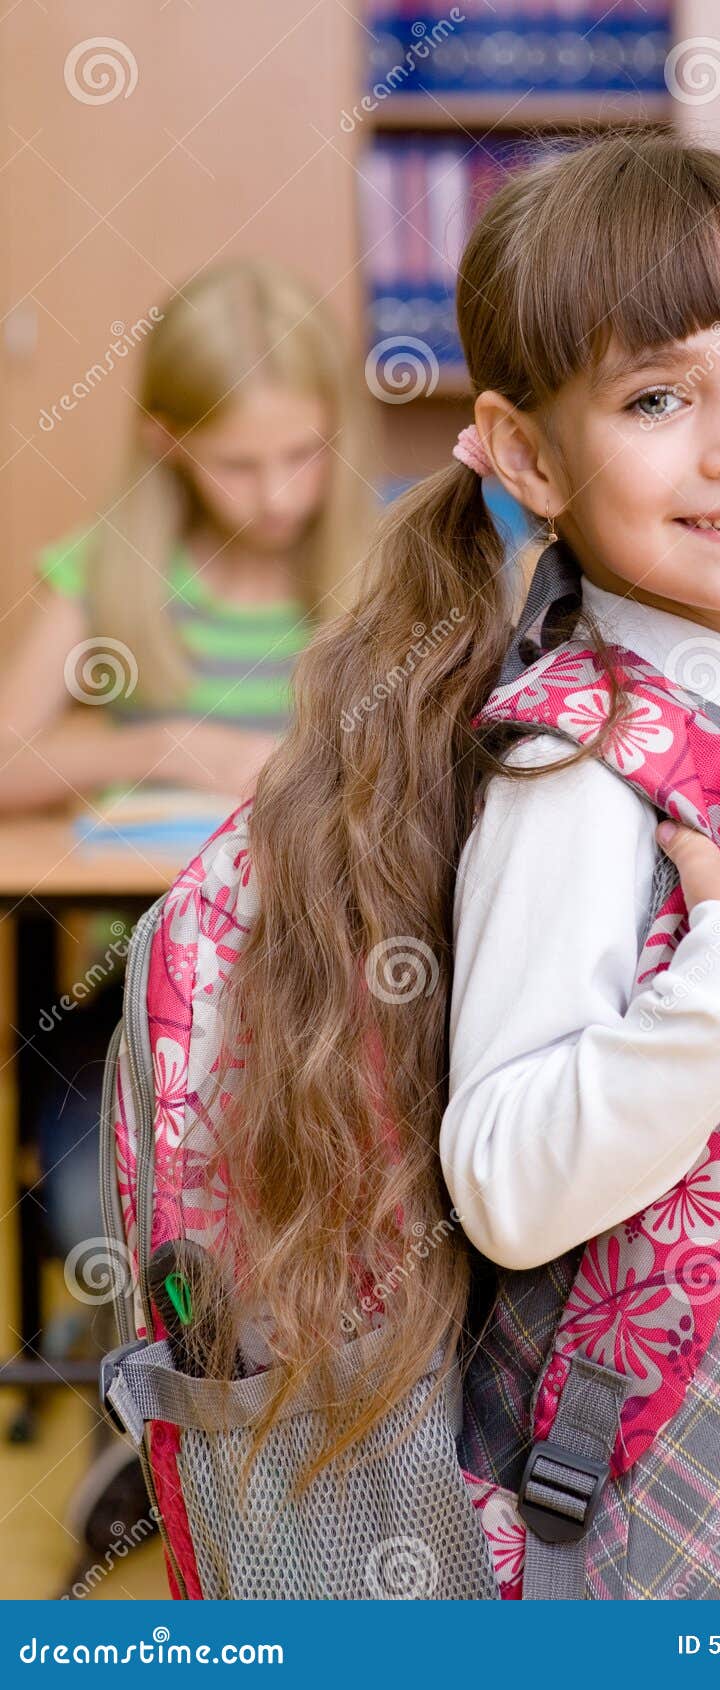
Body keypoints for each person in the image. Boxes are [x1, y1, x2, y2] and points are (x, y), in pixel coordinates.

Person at [221, 131, 720, 1598]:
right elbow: (512, 1181)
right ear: (529, 455)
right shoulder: (583, 769)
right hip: (673, 1509)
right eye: (659, 396)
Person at [0, 255, 376, 1564]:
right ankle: (157, 1423)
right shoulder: (106, 569)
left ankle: (292, 1435)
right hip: (131, 1002)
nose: (277, 497)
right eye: (238, 466)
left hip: (325, 985)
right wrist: (154, 744)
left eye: (301, 457)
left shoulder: (377, 561)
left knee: (333, 1178)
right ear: (167, 446)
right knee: (112, 1206)